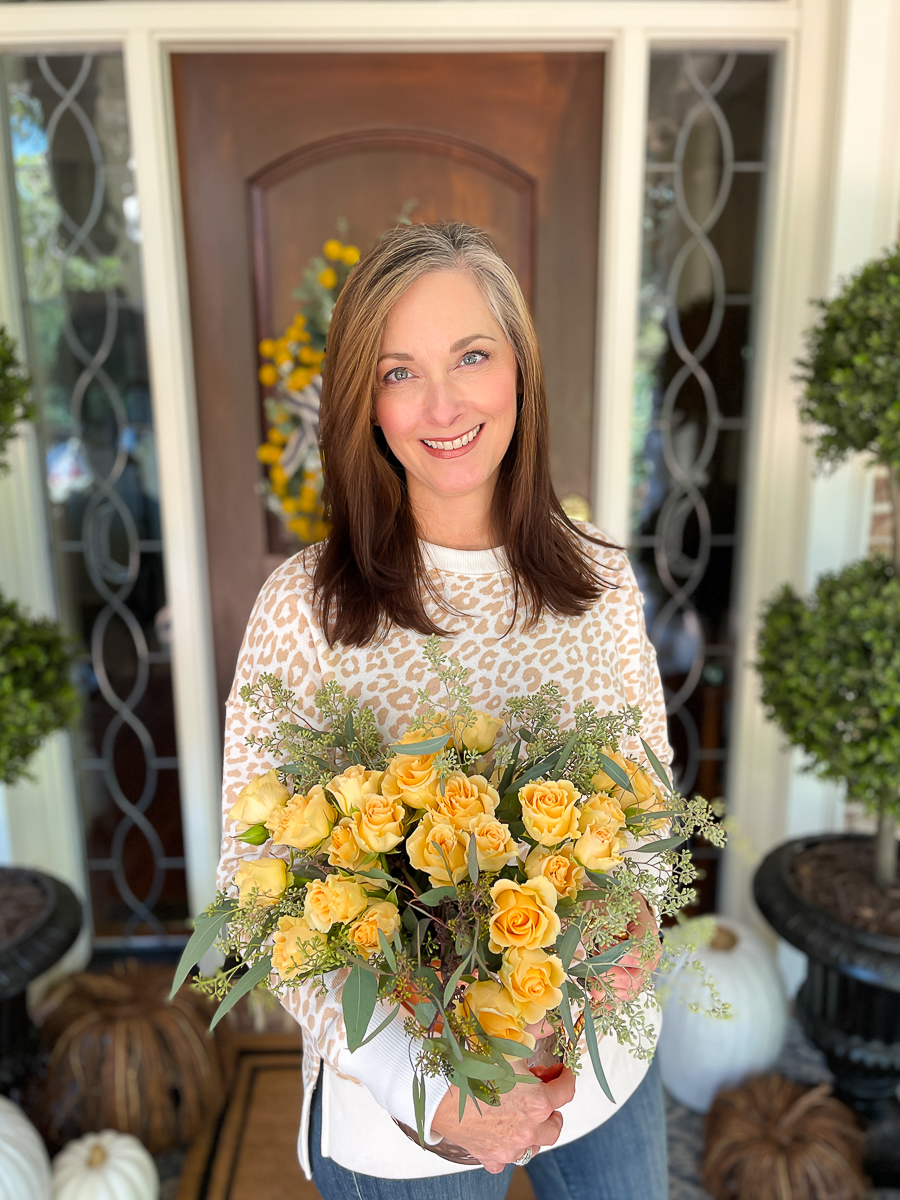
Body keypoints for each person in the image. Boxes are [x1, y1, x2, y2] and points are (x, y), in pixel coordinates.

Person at [218, 222, 672, 1200]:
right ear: (362, 405)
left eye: (472, 354)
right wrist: (421, 1083)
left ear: (520, 369)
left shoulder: (600, 581)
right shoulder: (305, 609)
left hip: (604, 1063)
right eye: (398, 372)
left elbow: (649, 814)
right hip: (405, 1117)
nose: (444, 403)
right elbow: (255, 886)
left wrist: (632, 928)